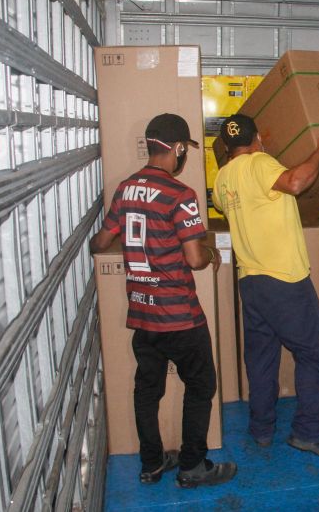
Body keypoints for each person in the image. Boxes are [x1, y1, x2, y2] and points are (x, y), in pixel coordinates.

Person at [90, 113, 237, 487]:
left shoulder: (124, 189)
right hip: (180, 317)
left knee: (147, 390)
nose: (184, 155)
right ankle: (191, 466)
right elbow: (193, 259)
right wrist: (209, 253)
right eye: (185, 148)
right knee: (201, 386)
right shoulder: (181, 195)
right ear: (175, 148)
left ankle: (152, 463)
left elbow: (99, 243)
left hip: (142, 313)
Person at [212, 114, 319, 460]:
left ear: (226, 146)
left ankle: (261, 429)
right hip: (284, 280)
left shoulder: (222, 179)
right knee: (314, 355)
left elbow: (233, 207)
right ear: (258, 139)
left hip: (250, 282)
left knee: (261, 359)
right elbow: (296, 183)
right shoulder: (260, 163)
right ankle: (309, 432)